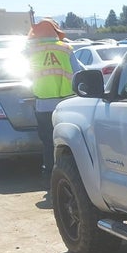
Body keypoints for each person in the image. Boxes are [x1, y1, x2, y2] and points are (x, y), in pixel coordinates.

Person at [26, 18, 81, 189]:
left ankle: (50, 177)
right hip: (67, 104)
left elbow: (28, 77)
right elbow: (80, 72)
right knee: (68, 143)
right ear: (55, 32)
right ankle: (70, 178)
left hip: (43, 105)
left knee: (48, 143)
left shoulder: (32, 52)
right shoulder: (65, 48)